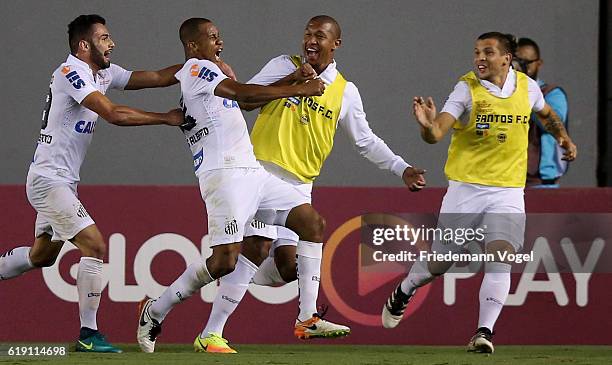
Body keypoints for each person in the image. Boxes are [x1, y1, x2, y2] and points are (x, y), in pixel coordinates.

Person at [195, 15, 427, 354]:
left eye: (320, 35)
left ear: (336, 44)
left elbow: (366, 141)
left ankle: (233, 272)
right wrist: (293, 80)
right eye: (307, 33)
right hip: (259, 172)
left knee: (288, 266)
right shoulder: (282, 64)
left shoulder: (345, 92)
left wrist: (401, 167)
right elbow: (246, 99)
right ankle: (221, 329)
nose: (311, 40)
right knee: (258, 246)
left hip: (300, 184)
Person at [135, 17, 332, 354]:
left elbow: (245, 100)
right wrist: (299, 88)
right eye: (212, 38)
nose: (220, 42)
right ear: (194, 47)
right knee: (224, 261)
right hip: (224, 177)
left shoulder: (206, 70)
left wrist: (291, 77)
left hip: (253, 173)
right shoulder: (198, 68)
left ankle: (307, 317)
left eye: (219, 36)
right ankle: (155, 310)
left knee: (312, 223)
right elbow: (242, 92)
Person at [381, 32, 576, 354]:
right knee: (443, 261)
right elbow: (437, 133)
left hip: (509, 191)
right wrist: (427, 126)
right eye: (476, 53)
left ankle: (483, 332)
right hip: (466, 188)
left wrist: (564, 139)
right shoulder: (467, 88)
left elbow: (545, 114)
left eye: (487, 52)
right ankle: (404, 290)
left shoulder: (526, 88)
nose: (479, 59)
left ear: (506, 59)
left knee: (502, 255)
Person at [0, 14, 184, 353]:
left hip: (62, 182)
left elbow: (156, 77)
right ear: (84, 45)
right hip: (48, 181)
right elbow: (113, 113)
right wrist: (166, 118)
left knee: (42, 256)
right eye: (104, 38)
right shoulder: (71, 73)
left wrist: (193, 65)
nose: (111, 43)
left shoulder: (103, 72)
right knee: (95, 246)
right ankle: (89, 333)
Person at [515, 37, 570, 187]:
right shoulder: (502, 93)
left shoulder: (552, 94)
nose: (521, 67)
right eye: (517, 62)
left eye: (526, 62)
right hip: (508, 181)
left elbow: (551, 124)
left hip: (543, 182)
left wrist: (525, 91)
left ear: (539, 63)